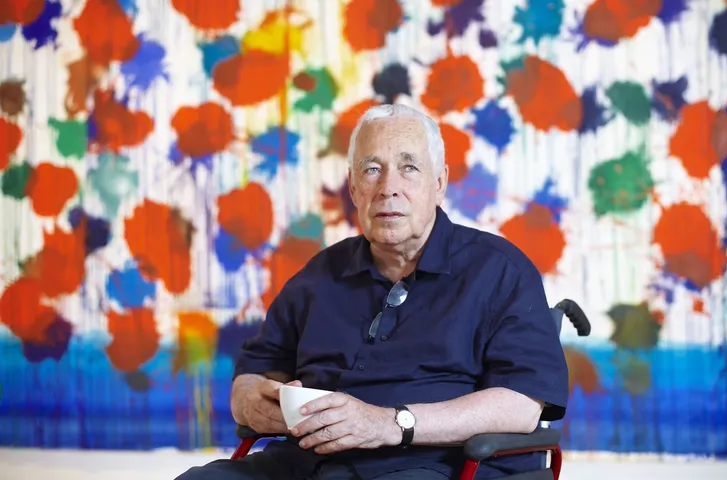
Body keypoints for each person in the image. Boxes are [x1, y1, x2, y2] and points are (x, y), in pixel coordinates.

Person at [177, 104, 568, 480]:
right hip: (304, 462)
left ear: (439, 183)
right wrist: (254, 403)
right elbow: (254, 373)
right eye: (372, 169)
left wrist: (391, 423)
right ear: (353, 187)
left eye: (408, 167)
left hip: (432, 465)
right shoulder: (319, 275)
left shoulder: (500, 271)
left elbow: (520, 405)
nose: (388, 188)